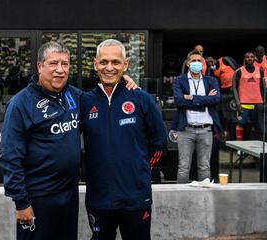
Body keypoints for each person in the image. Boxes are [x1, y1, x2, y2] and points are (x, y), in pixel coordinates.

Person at [0, 41, 138, 240]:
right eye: (53, 64)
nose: (60, 70)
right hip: (38, 197)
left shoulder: (75, 96)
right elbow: (10, 156)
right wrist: (21, 202)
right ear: (40, 66)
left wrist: (124, 83)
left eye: (65, 64)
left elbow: (105, 102)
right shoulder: (21, 103)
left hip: (69, 195)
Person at [80, 39, 167, 240]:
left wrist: (142, 172)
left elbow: (160, 143)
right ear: (95, 64)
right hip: (99, 198)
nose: (109, 68)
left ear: (125, 64)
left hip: (135, 198)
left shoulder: (142, 99)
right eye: (103, 62)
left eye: (115, 62)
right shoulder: (84, 101)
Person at [173, 49, 222, 183]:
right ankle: (180, 200)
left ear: (203, 63)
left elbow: (216, 99)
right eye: (193, 61)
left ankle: (204, 200)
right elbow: (178, 101)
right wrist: (205, 99)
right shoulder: (179, 80)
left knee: (205, 166)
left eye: (199, 61)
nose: (196, 63)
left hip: (206, 130)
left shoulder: (211, 81)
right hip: (185, 130)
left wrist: (191, 98)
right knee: (183, 167)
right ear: (188, 64)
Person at [233, 51, 265, 141]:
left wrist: (264, 101)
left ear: (254, 58)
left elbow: (262, 88)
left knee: (256, 125)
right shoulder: (239, 71)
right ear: (244, 58)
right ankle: (239, 147)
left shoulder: (260, 70)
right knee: (240, 123)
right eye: (247, 57)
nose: (250, 58)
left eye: (251, 57)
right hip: (244, 103)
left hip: (258, 103)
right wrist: (238, 102)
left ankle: (253, 146)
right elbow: (235, 88)